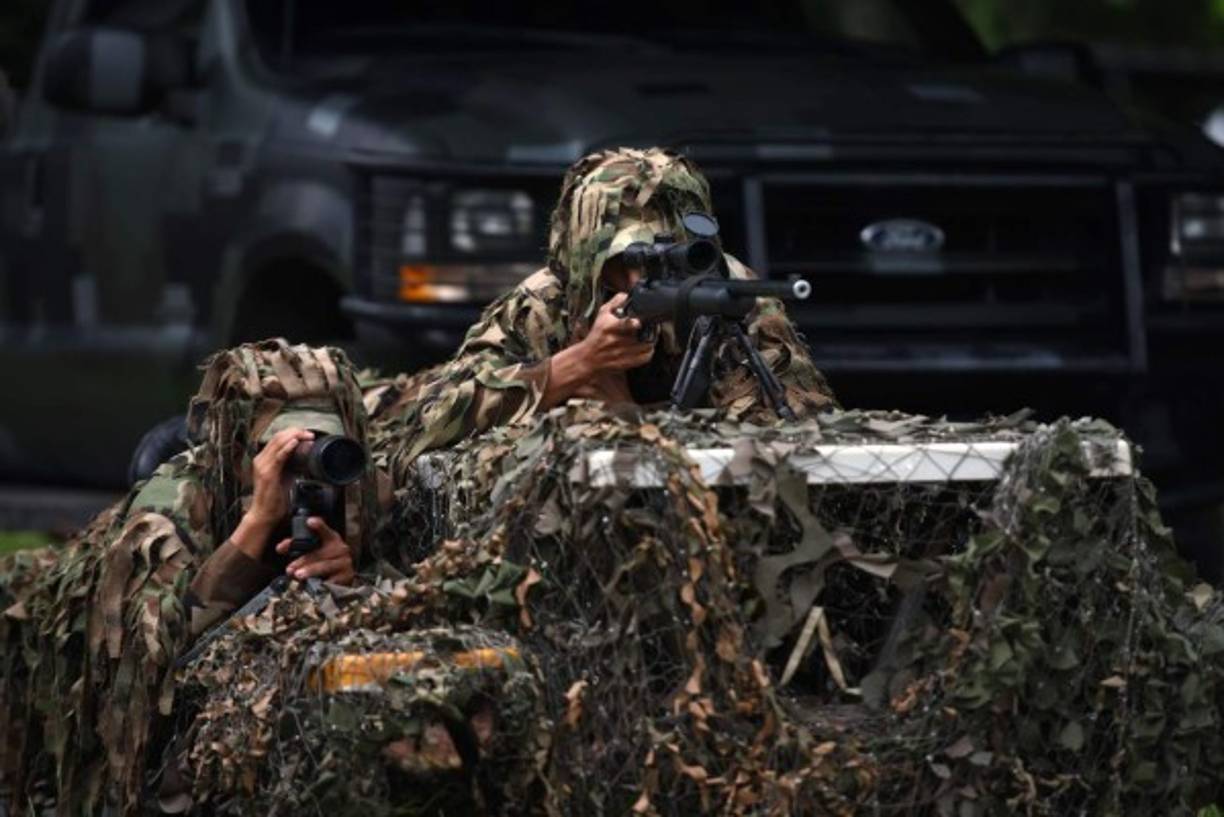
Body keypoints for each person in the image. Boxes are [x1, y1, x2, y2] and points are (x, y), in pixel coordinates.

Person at [0, 339, 384, 815]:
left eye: (321, 443)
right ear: (241, 451)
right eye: (279, 453)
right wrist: (255, 528)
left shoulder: (353, 490)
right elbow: (149, 669)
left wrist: (346, 582)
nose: (302, 470)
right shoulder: (169, 511)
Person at [367, 147, 837, 473]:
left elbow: (796, 435)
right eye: (624, 262)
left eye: (668, 256)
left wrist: (629, 415)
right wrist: (573, 367)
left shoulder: (732, 296)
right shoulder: (544, 302)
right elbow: (428, 423)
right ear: (586, 260)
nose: (641, 280)